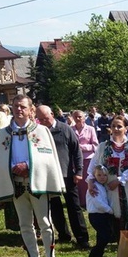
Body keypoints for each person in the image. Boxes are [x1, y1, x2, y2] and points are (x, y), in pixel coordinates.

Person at [0, 95, 65, 257]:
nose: (19, 109)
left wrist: (28, 165)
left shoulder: (41, 131)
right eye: (16, 106)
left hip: (36, 182)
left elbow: (47, 157)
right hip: (16, 183)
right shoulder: (3, 134)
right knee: (24, 223)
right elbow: (0, 158)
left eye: (23, 107)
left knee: (45, 221)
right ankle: (33, 256)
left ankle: (50, 256)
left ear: (31, 110)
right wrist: (12, 167)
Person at [37, 105, 90, 249]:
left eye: (45, 118)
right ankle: (63, 234)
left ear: (52, 114)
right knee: (55, 207)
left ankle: (82, 238)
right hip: (49, 176)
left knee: (74, 207)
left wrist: (79, 172)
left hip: (67, 175)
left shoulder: (65, 129)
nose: (43, 122)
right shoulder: (38, 132)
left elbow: (76, 151)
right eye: (40, 119)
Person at [87, 115, 128, 230]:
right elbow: (93, 165)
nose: (116, 129)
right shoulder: (103, 146)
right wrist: (90, 181)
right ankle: (119, 242)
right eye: (113, 126)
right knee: (114, 216)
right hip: (109, 188)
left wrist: (119, 180)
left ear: (126, 129)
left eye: (119, 126)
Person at [86, 164, 114, 257]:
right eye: (99, 175)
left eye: (104, 175)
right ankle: (94, 254)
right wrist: (110, 210)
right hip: (96, 215)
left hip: (102, 214)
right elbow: (98, 203)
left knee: (102, 235)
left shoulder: (102, 186)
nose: (102, 177)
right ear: (95, 176)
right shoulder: (94, 188)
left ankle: (98, 255)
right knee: (105, 235)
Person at [71, 110, 99, 207]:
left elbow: (95, 145)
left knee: (87, 181)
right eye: (76, 117)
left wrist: (82, 147)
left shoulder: (90, 129)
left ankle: (89, 201)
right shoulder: (70, 129)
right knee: (78, 182)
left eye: (80, 117)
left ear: (84, 118)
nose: (78, 119)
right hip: (75, 159)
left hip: (88, 159)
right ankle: (80, 202)